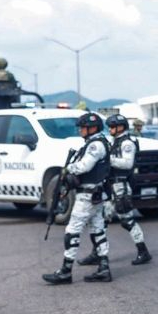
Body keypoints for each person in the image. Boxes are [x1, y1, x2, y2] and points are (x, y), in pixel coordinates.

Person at [42, 113, 112, 285]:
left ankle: (65, 272)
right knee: (97, 230)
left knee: (72, 231)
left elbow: (84, 166)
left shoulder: (95, 145)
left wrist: (67, 169)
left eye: (83, 127)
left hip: (87, 196)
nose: (80, 130)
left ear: (92, 128)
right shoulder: (96, 143)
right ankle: (104, 268)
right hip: (94, 194)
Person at [78, 114, 151, 267]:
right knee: (100, 222)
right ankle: (97, 253)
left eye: (113, 126)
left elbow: (127, 164)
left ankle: (143, 251)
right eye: (109, 126)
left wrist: (106, 159)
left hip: (121, 187)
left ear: (121, 127)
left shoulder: (127, 143)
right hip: (110, 186)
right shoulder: (115, 141)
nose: (110, 129)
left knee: (127, 221)